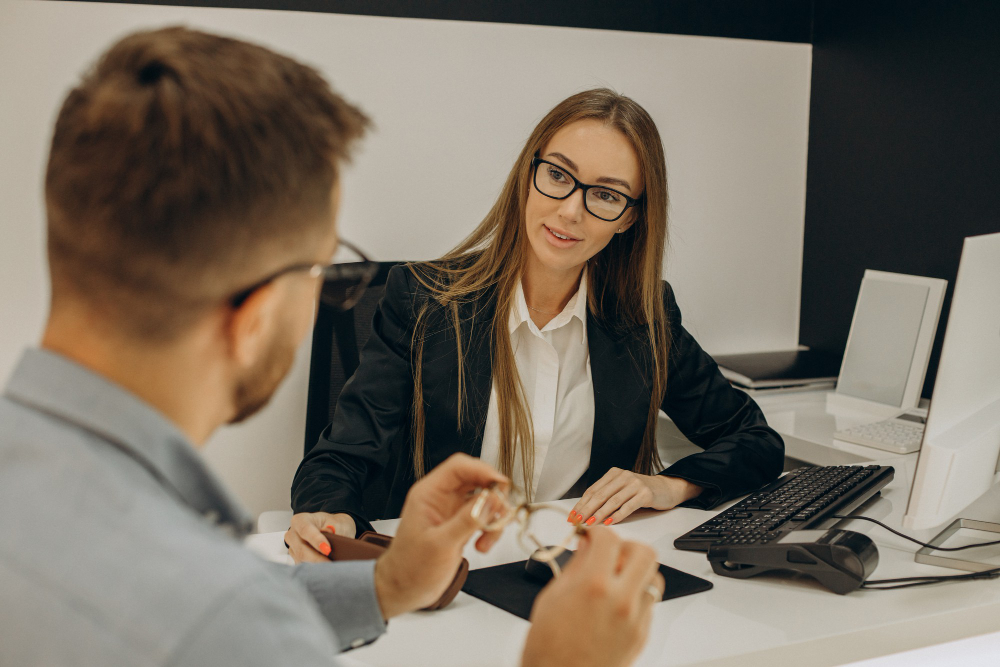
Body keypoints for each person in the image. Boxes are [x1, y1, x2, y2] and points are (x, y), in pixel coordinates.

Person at [0, 27, 663, 667]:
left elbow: (213, 609)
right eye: (322, 266)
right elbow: (219, 618)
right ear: (256, 314)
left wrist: (382, 586)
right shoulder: (210, 610)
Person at [287, 88, 785, 560]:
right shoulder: (423, 301)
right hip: (445, 572)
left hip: (575, 571)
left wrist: (668, 485)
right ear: (529, 174)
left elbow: (754, 440)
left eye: (606, 196)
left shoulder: (645, 316)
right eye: (558, 176)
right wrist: (333, 518)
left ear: (629, 218)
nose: (570, 211)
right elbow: (338, 460)